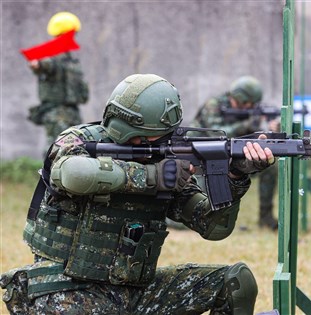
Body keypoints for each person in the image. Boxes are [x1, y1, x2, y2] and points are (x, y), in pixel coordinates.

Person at [0, 74, 276, 315]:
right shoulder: (79, 141)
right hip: (67, 290)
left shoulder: (169, 158)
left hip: (133, 291)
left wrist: (235, 176)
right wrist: (152, 177)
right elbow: (73, 174)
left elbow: (214, 227)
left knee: (234, 281)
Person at [191, 76, 279, 230]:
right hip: (199, 158)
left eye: (250, 106)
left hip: (230, 159)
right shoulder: (213, 105)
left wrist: (269, 130)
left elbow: (251, 139)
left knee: (270, 167)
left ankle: (265, 218)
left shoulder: (250, 113)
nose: (245, 108)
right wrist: (248, 124)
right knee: (195, 208)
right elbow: (217, 135)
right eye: (243, 104)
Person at [27, 11, 89, 148]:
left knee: (75, 151)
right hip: (57, 115)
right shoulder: (51, 54)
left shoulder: (70, 59)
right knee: (55, 151)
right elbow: (43, 64)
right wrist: (37, 64)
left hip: (72, 114)